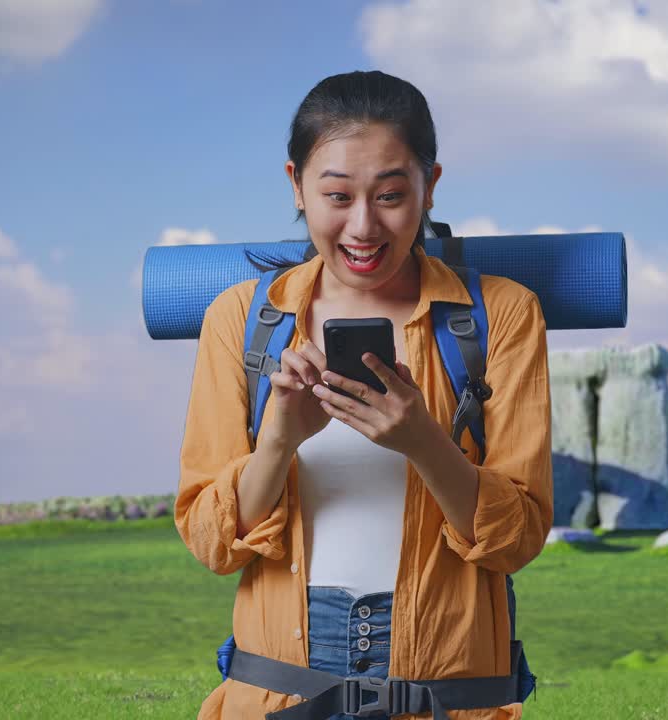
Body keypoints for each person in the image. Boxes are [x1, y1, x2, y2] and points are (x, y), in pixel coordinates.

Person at [175, 70, 553, 719]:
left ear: (431, 186)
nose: (362, 226)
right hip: (275, 691)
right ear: (295, 184)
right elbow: (211, 544)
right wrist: (278, 441)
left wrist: (424, 441)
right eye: (337, 195)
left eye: (390, 195)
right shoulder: (240, 319)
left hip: (447, 692)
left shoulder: (504, 315)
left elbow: (517, 538)